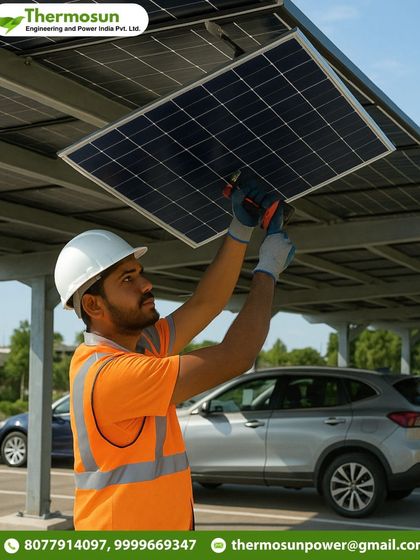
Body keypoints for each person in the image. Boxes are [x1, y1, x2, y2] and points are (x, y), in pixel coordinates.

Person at [54, 178, 295, 530]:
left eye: (139, 273)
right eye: (127, 280)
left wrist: (240, 229)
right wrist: (267, 272)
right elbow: (236, 356)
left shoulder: (141, 347)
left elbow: (206, 303)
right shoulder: (113, 376)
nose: (146, 284)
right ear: (93, 304)